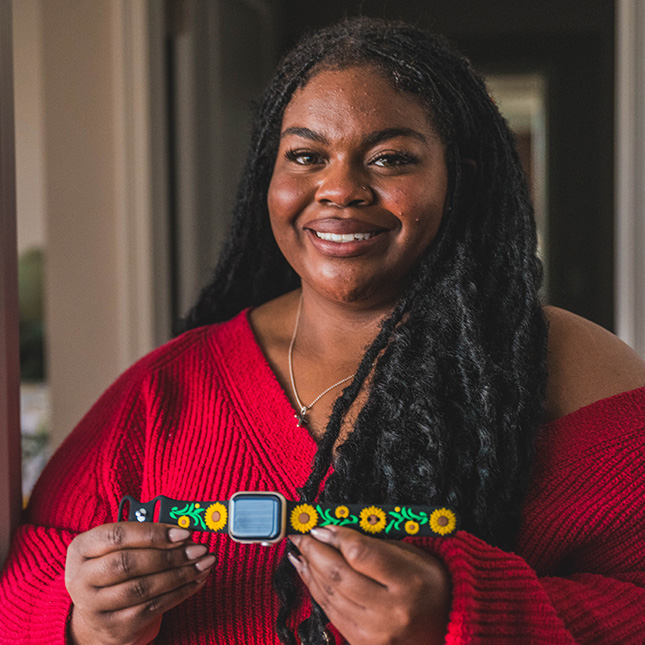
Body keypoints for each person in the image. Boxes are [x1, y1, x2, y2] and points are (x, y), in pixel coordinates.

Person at [2, 16, 645, 645]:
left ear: (462, 177)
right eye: (307, 156)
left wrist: (462, 614)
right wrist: (84, 620)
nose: (339, 188)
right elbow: (25, 589)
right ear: (270, 178)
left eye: (390, 158)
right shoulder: (167, 388)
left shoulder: (571, 369)